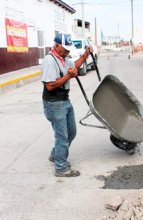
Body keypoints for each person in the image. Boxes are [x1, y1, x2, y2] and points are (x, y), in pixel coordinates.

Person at [41, 33, 91, 177]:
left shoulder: (63, 58)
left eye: (69, 49)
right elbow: (50, 86)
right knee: (62, 137)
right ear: (57, 46)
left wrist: (85, 55)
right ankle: (61, 168)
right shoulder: (50, 61)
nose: (68, 51)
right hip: (54, 103)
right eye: (66, 49)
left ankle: (55, 155)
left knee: (71, 131)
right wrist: (69, 76)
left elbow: (74, 65)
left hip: (64, 101)